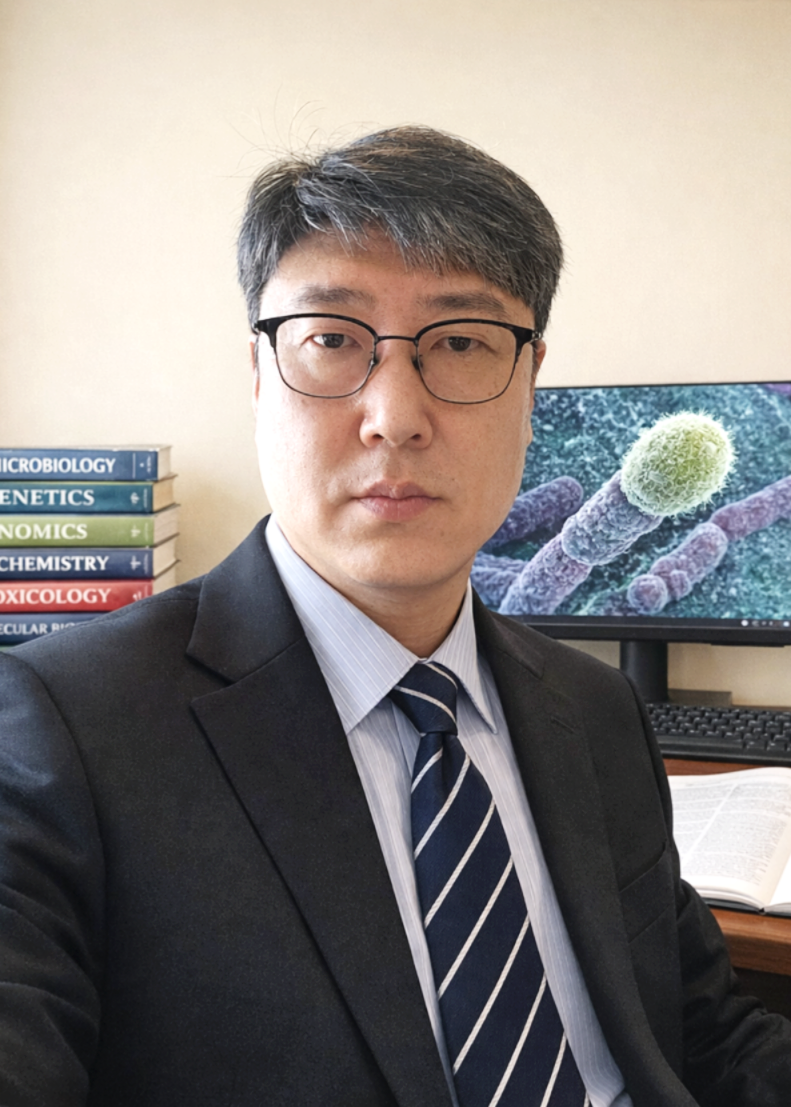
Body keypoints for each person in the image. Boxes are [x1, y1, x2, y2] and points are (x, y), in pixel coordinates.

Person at [0, 126, 789, 1107]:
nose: (394, 415)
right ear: (258, 375)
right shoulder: (62, 725)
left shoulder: (593, 710)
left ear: (529, 383)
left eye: (459, 342)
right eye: (332, 339)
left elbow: (702, 1031)